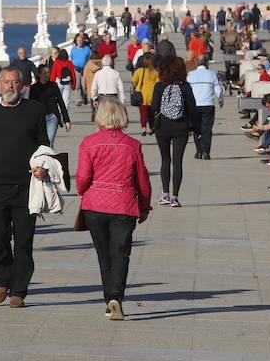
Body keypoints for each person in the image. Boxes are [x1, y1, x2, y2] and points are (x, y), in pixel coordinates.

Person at [0, 67, 49, 308]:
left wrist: (42, 167)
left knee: (24, 240)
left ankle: (19, 290)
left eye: (15, 83)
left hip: (28, 187)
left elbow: (43, 145)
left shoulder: (34, 110)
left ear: (22, 85)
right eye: (6, 82)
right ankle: (2, 280)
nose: (10, 87)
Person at [76, 97, 151, 320]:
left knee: (104, 256)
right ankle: (116, 297)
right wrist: (145, 206)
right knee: (121, 253)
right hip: (124, 205)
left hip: (95, 206)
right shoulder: (133, 145)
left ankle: (109, 299)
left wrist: (82, 190)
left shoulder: (89, 142)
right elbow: (142, 181)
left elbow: (83, 176)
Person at [150, 57, 200, 207]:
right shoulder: (185, 87)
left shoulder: (159, 86)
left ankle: (165, 194)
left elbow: (154, 107)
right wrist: (197, 129)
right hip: (181, 127)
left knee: (165, 160)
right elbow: (192, 109)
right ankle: (175, 197)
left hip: (162, 128)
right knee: (178, 162)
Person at [187, 56, 223, 160]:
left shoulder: (190, 75)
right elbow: (219, 91)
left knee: (196, 129)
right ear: (207, 64)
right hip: (208, 105)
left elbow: (187, 91)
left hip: (195, 106)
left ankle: (198, 151)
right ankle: (206, 152)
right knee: (207, 129)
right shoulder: (211, 74)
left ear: (197, 64)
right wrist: (220, 101)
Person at [31, 65, 72, 146]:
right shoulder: (33, 88)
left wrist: (67, 120)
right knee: (39, 142)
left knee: (49, 141)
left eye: (48, 73)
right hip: (39, 118)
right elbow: (31, 105)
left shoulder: (53, 86)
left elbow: (61, 102)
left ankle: (49, 157)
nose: (47, 75)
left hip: (52, 117)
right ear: (39, 74)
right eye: (44, 73)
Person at [131, 53, 159, 135]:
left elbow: (134, 81)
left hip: (142, 96)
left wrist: (137, 86)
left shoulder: (139, 71)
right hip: (152, 95)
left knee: (143, 114)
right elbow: (158, 83)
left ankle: (144, 128)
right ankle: (152, 127)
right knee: (151, 113)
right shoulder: (155, 72)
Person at [70, 35, 92, 106]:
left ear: (83, 41)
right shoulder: (73, 49)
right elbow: (71, 59)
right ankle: (78, 100)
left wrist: (87, 67)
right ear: (76, 42)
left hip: (85, 69)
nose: (79, 42)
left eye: (81, 40)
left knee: (84, 84)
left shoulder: (87, 49)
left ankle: (84, 96)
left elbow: (90, 58)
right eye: (78, 41)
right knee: (77, 85)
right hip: (76, 69)